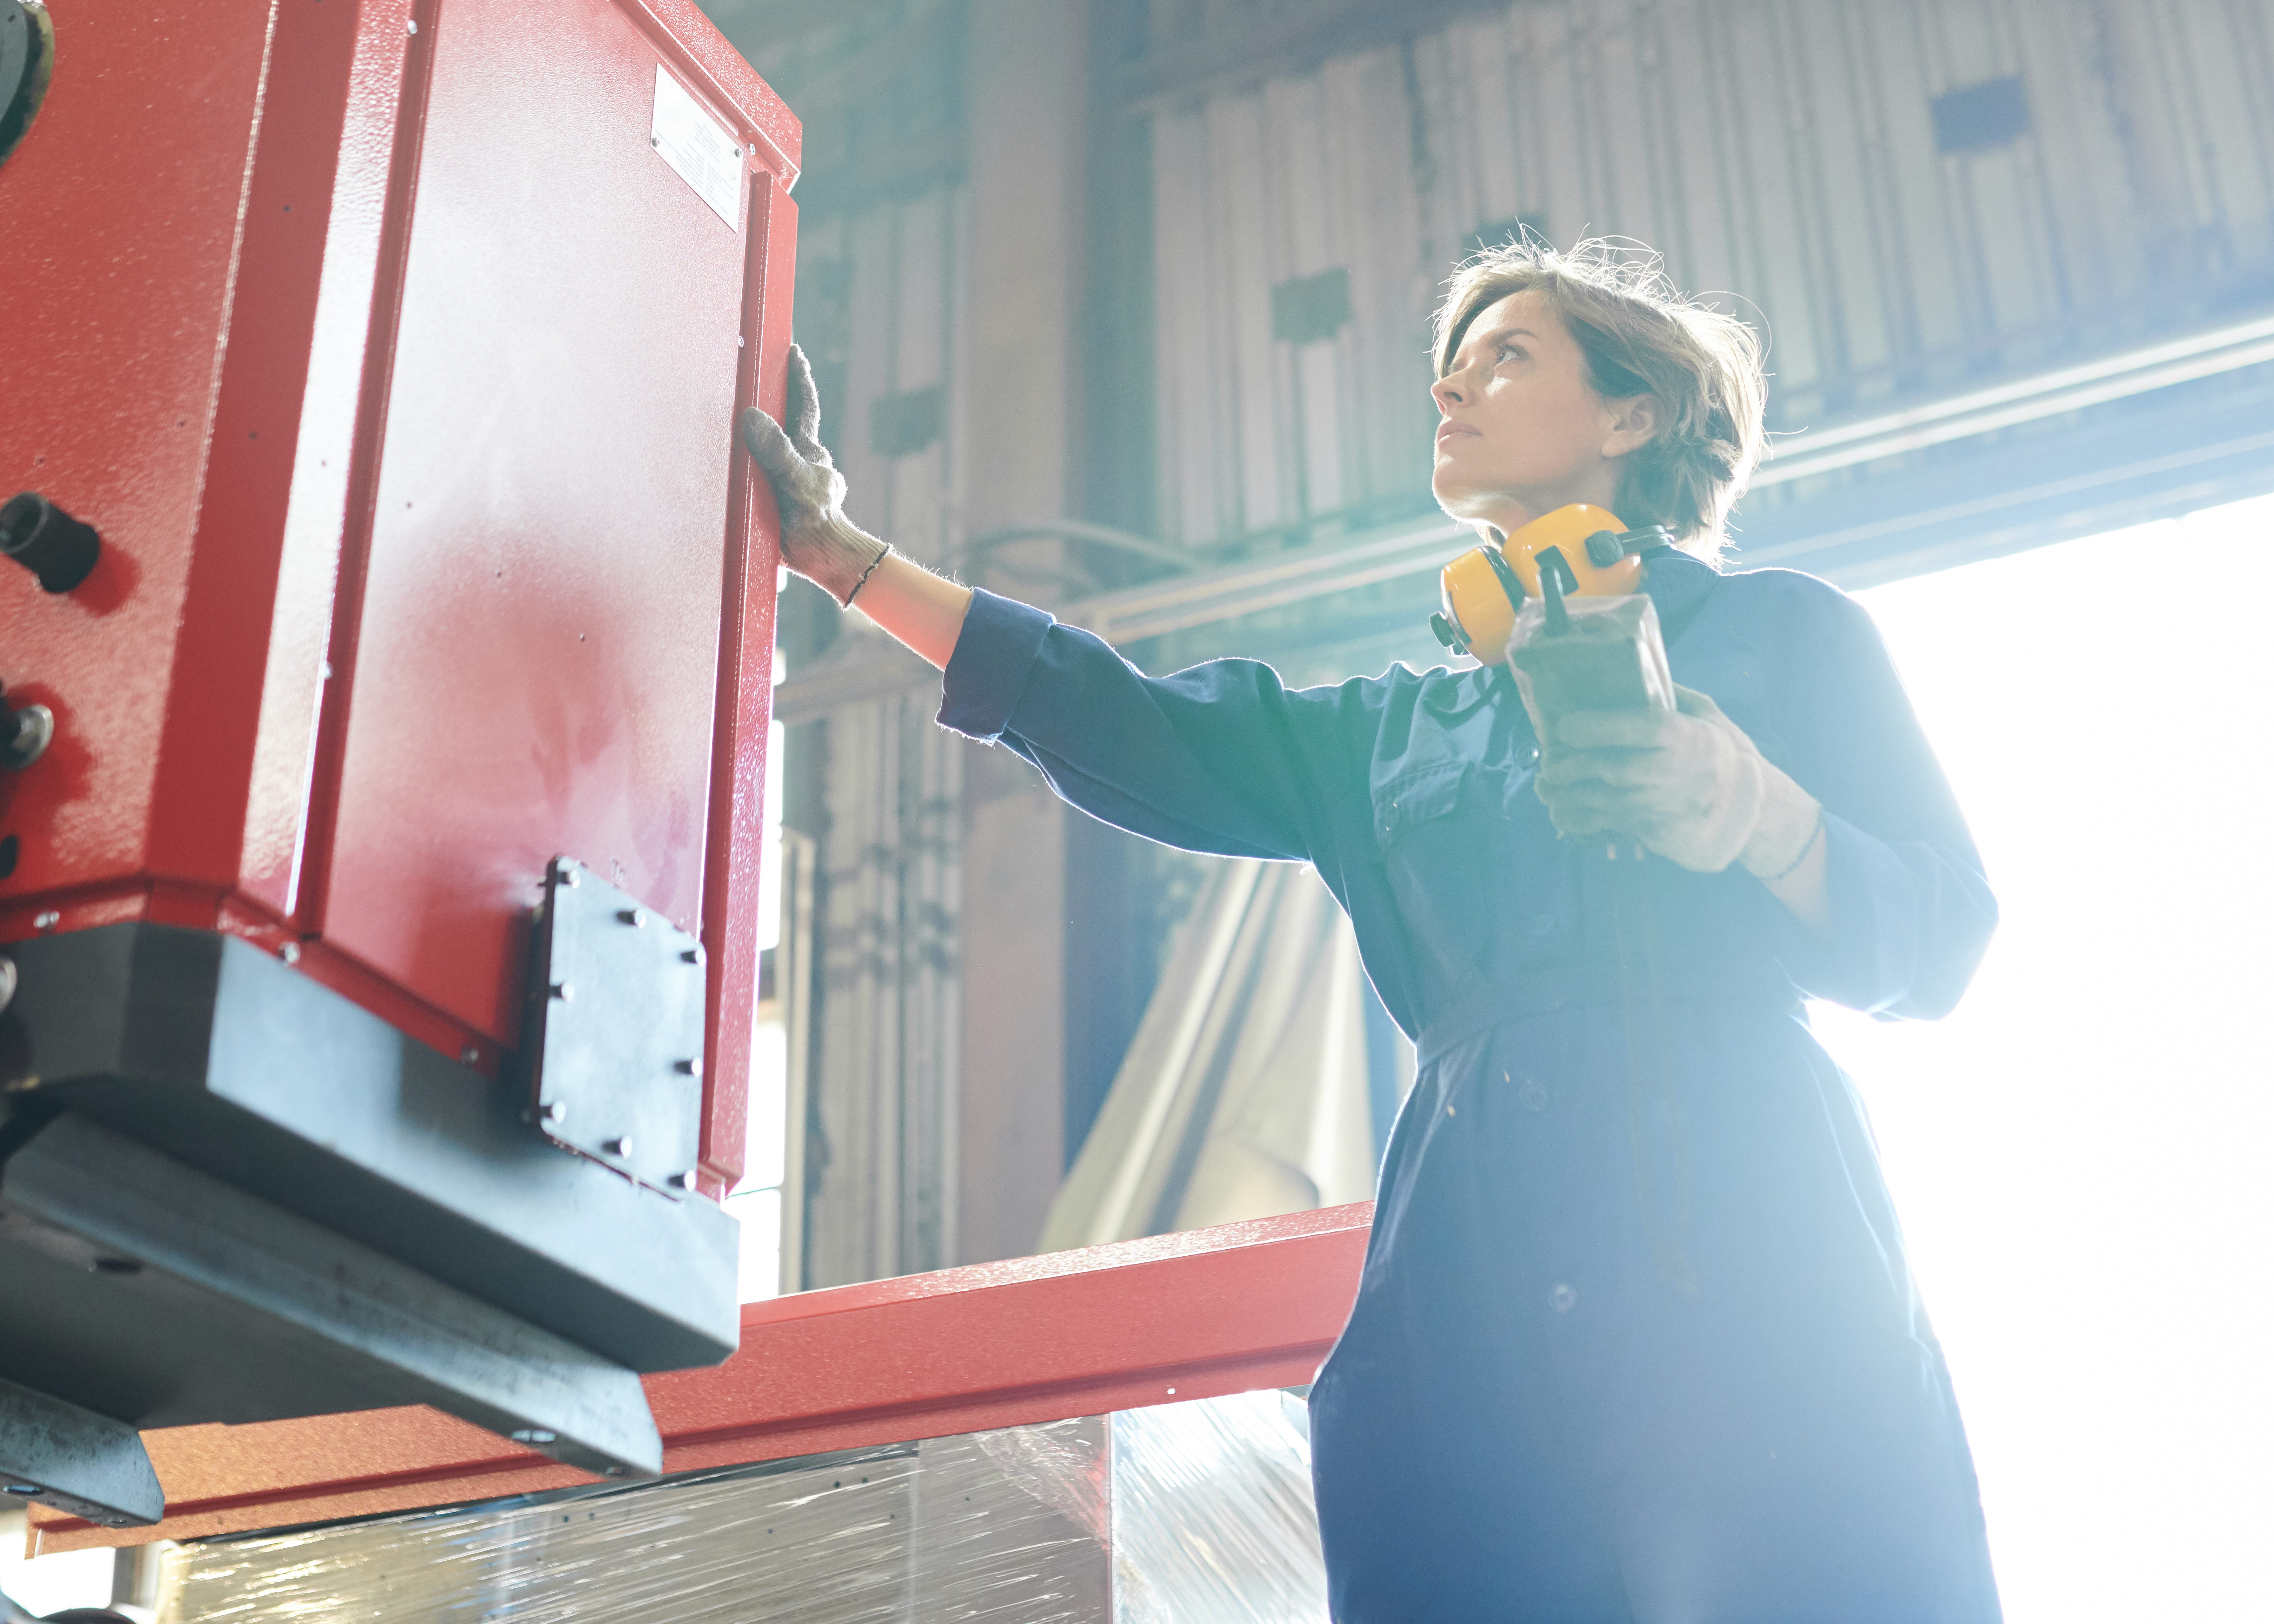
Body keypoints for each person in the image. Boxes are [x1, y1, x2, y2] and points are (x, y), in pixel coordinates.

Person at [741, 235, 2001, 1622]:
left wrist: (1758, 814)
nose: (1455, 386)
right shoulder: (1391, 733)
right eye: (1448, 367)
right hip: (1466, 1273)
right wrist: (841, 560)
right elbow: (1121, 717)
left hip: (1753, 1230)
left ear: (1634, 416)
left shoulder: (1787, 637)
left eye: (1509, 355)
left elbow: (1937, 937)